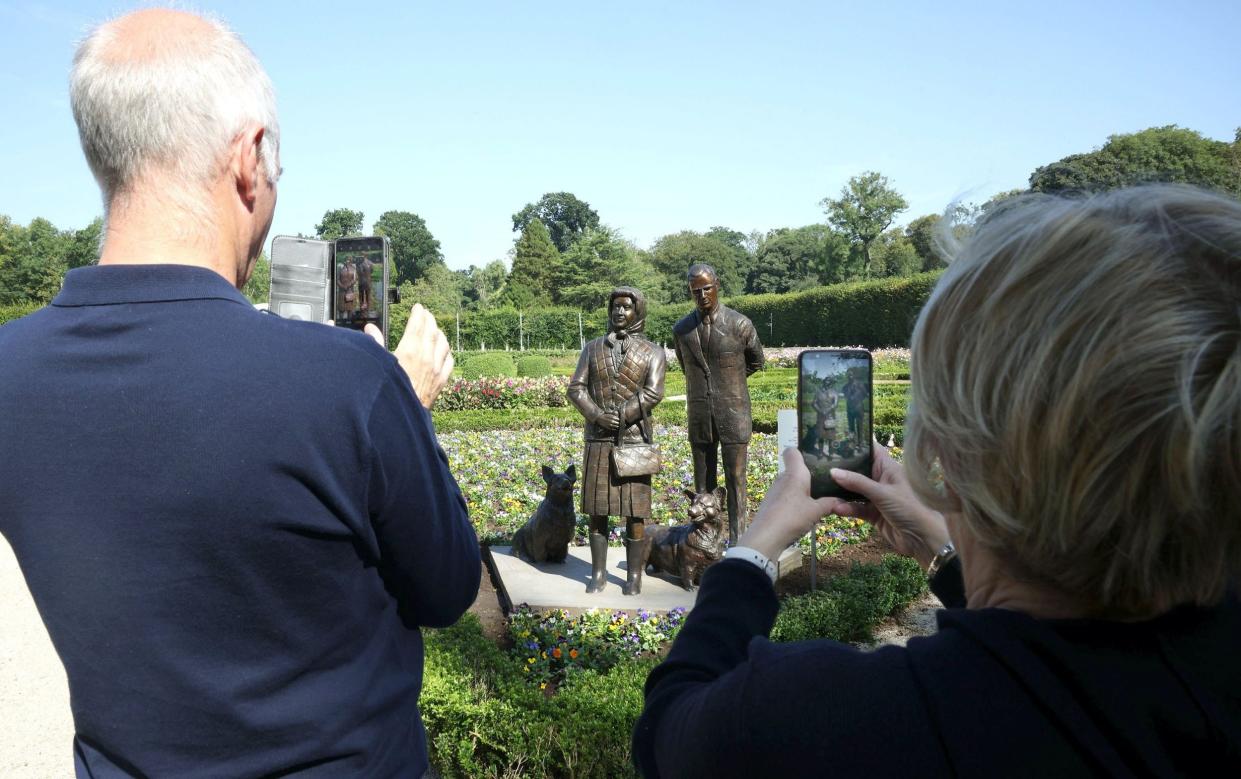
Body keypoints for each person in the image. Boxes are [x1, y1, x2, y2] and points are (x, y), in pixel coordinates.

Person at [0, 9, 480, 777]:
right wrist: (405, 406)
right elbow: (448, 587)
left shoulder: (9, 369)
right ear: (250, 158)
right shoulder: (350, 381)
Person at [634, 185, 1241, 777]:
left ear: (944, 455)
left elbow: (668, 728)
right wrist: (942, 548)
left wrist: (749, 554)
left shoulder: (827, 718)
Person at [567, 287, 666, 595]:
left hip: (634, 440)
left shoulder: (653, 352)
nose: (619, 312)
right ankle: (598, 574)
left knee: (634, 512)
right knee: (598, 509)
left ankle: (633, 576)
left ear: (638, 312)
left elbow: (653, 392)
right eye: (615, 307)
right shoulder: (592, 348)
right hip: (598, 438)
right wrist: (597, 415)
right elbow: (576, 388)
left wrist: (622, 415)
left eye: (626, 307)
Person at [671, 263, 764, 544]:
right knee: (703, 485)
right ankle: (706, 539)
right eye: (695, 291)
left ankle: (738, 539)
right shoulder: (682, 330)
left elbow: (756, 361)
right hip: (700, 415)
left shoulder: (740, 324)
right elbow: (686, 367)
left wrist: (730, 381)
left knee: (736, 480)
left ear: (718, 285)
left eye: (707, 288)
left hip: (734, 413)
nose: (702, 295)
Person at [812, 378, 838, 457]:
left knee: (831, 436)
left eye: (829, 382)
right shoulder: (818, 392)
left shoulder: (834, 393)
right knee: (820, 435)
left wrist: (828, 410)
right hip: (820, 417)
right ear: (823, 383)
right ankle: (820, 452)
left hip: (830, 417)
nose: (827, 383)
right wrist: (820, 411)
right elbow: (813, 403)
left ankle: (831, 453)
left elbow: (835, 404)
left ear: (831, 383)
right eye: (826, 382)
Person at [842, 370, 866, 446]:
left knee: (860, 427)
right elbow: (846, 396)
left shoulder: (860, 384)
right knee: (851, 427)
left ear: (854, 376)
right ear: (847, 376)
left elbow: (865, 394)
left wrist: (858, 400)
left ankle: (860, 443)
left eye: (851, 375)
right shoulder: (845, 387)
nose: (850, 376)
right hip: (850, 409)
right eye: (848, 375)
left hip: (859, 408)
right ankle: (853, 443)